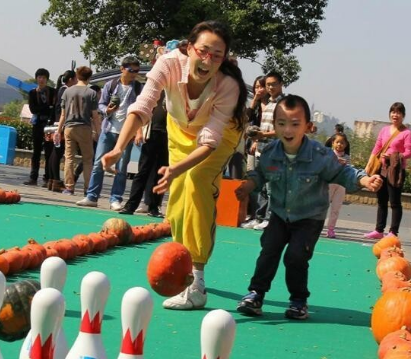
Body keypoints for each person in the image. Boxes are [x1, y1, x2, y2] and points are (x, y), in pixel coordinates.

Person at [101, 20, 248, 310]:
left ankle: (198, 283)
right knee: (178, 199)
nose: (207, 60)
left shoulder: (227, 86)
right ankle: (184, 269)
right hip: (180, 128)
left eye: (216, 56)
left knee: (196, 184)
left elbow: (209, 140)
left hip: (219, 136)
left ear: (224, 59)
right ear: (188, 47)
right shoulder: (168, 65)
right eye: (203, 51)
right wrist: (118, 148)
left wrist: (178, 169)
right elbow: (143, 107)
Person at [235, 94, 382, 320]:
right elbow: (260, 174)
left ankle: (298, 301)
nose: (288, 130)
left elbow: (343, 172)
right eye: (281, 123)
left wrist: (364, 180)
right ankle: (255, 294)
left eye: (295, 124)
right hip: (280, 214)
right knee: (269, 251)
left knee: (296, 256)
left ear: (308, 126)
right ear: (274, 126)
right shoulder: (270, 152)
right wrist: (249, 185)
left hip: (309, 218)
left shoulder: (320, 155)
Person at [76, 56, 142, 210]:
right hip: (108, 130)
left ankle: (115, 199)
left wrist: (138, 132)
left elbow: (141, 111)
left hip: (127, 133)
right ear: (122, 69)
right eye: (131, 70)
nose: (134, 74)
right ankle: (92, 196)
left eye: (137, 71)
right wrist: (107, 110)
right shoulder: (111, 85)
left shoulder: (139, 88)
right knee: (98, 163)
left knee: (122, 167)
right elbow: (101, 104)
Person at [242, 71, 284, 230]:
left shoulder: (283, 104)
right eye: (268, 85)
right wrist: (256, 136)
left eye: (274, 84)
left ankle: (270, 218)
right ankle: (258, 217)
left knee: (271, 187)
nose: (271, 87)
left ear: (281, 84)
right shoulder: (267, 104)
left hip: (275, 150)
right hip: (261, 149)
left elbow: (282, 129)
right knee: (260, 185)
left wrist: (263, 135)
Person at [363, 102, 411, 240]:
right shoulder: (384, 130)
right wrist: (369, 164)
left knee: (395, 202)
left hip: (396, 170)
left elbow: (409, 151)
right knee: (381, 200)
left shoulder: (406, 133)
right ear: (390, 114)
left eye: (398, 112)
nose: (395, 115)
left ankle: (393, 232)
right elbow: (377, 147)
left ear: (403, 116)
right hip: (381, 169)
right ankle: (379, 230)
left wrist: (394, 156)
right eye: (393, 112)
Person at [119, 91, 168, 217]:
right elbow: (140, 111)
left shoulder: (176, 92)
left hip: (168, 136)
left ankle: (154, 207)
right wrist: (138, 132)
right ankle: (131, 205)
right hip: (150, 134)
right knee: (142, 172)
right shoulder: (153, 91)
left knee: (160, 173)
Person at [54, 66, 100, 195]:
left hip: (69, 127)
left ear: (77, 76)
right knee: (87, 159)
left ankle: (69, 187)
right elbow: (95, 116)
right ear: (89, 77)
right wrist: (98, 131)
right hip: (84, 127)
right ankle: (87, 189)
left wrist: (58, 130)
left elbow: (63, 114)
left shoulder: (67, 92)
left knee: (69, 158)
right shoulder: (91, 93)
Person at [23, 68, 56, 187]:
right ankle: (33, 178)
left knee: (49, 152)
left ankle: (47, 178)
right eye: (39, 77)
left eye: (43, 77)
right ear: (36, 78)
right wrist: (47, 107)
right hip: (37, 125)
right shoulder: (32, 92)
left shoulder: (53, 92)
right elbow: (33, 109)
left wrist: (47, 109)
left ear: (47, 79)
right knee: (36, 152)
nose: (41, 79)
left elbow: (54, 109)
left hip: (49, 125)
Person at [47, 70, 78, 192]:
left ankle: (52, 180)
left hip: (58, 123)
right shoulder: (66, 90)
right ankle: (56, 181)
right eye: (75, 79)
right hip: (61, 124)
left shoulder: (61, 89)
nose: (76, 81)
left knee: (55, 152)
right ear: (70, 79)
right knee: (57, 152)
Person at [73, 84, 103, 186]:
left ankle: (77, 177)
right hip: (91, 135)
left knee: (90, 158)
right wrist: (95, 132)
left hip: (95, 135)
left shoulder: (96, 105)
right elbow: (92, 120)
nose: (100, 95)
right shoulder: (90, 105)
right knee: (89, 158)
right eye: (99, 93)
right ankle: (78, 178)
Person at [326, 133, 351, 238]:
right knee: (323, 206)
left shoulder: (347, 157)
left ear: (346, 145)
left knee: (336, 208)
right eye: (337, 142)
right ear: (333, 143)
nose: (339, 145)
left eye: (342, 142)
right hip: (329, 183)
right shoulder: (328, 154)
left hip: (341, 185)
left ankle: (331, 229)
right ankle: (316, 227)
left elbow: (348, 170)